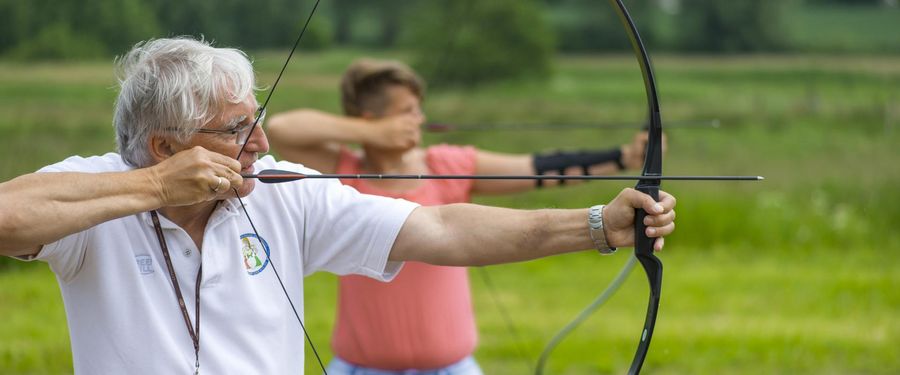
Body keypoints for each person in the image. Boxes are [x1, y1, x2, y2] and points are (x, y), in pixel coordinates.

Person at [0, 37, 676, 375]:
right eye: (237, 129)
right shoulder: (95, 187)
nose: (259, 142)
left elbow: (440, 226)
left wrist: (597, 224)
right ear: (165, 145)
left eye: (255, 120)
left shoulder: (280, 188)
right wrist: (156, 188)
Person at [267, 58, 660, 374]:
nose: (418, 120)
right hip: (360, 367)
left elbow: (538, 168)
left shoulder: (445, 164)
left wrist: (624, 158)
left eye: (419, 110)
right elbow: (282, 128)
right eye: (407, 111)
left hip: (450, 367)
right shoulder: (343, 170)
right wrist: (371, 134)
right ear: (371, 120)